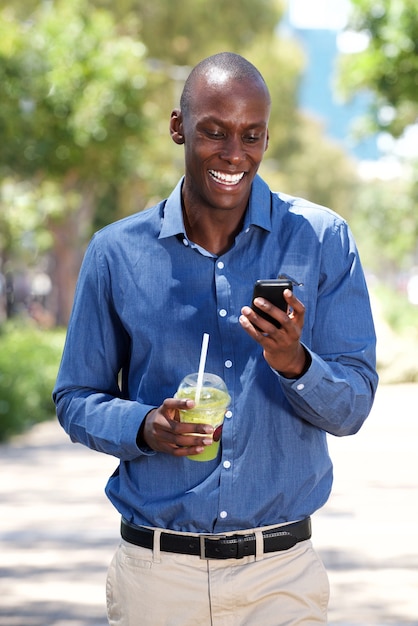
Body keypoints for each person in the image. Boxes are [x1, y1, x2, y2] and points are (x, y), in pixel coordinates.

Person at [53, 52, 378, 625]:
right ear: (179, 127)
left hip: (280, 578)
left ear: (267, 137)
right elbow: (75, 397)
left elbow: (352, 405)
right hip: (157, 578)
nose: (234, 154)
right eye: (214, 132)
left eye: (251, 136)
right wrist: (145, 427)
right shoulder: (117, 252)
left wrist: (294, 361)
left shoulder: (323, 240)